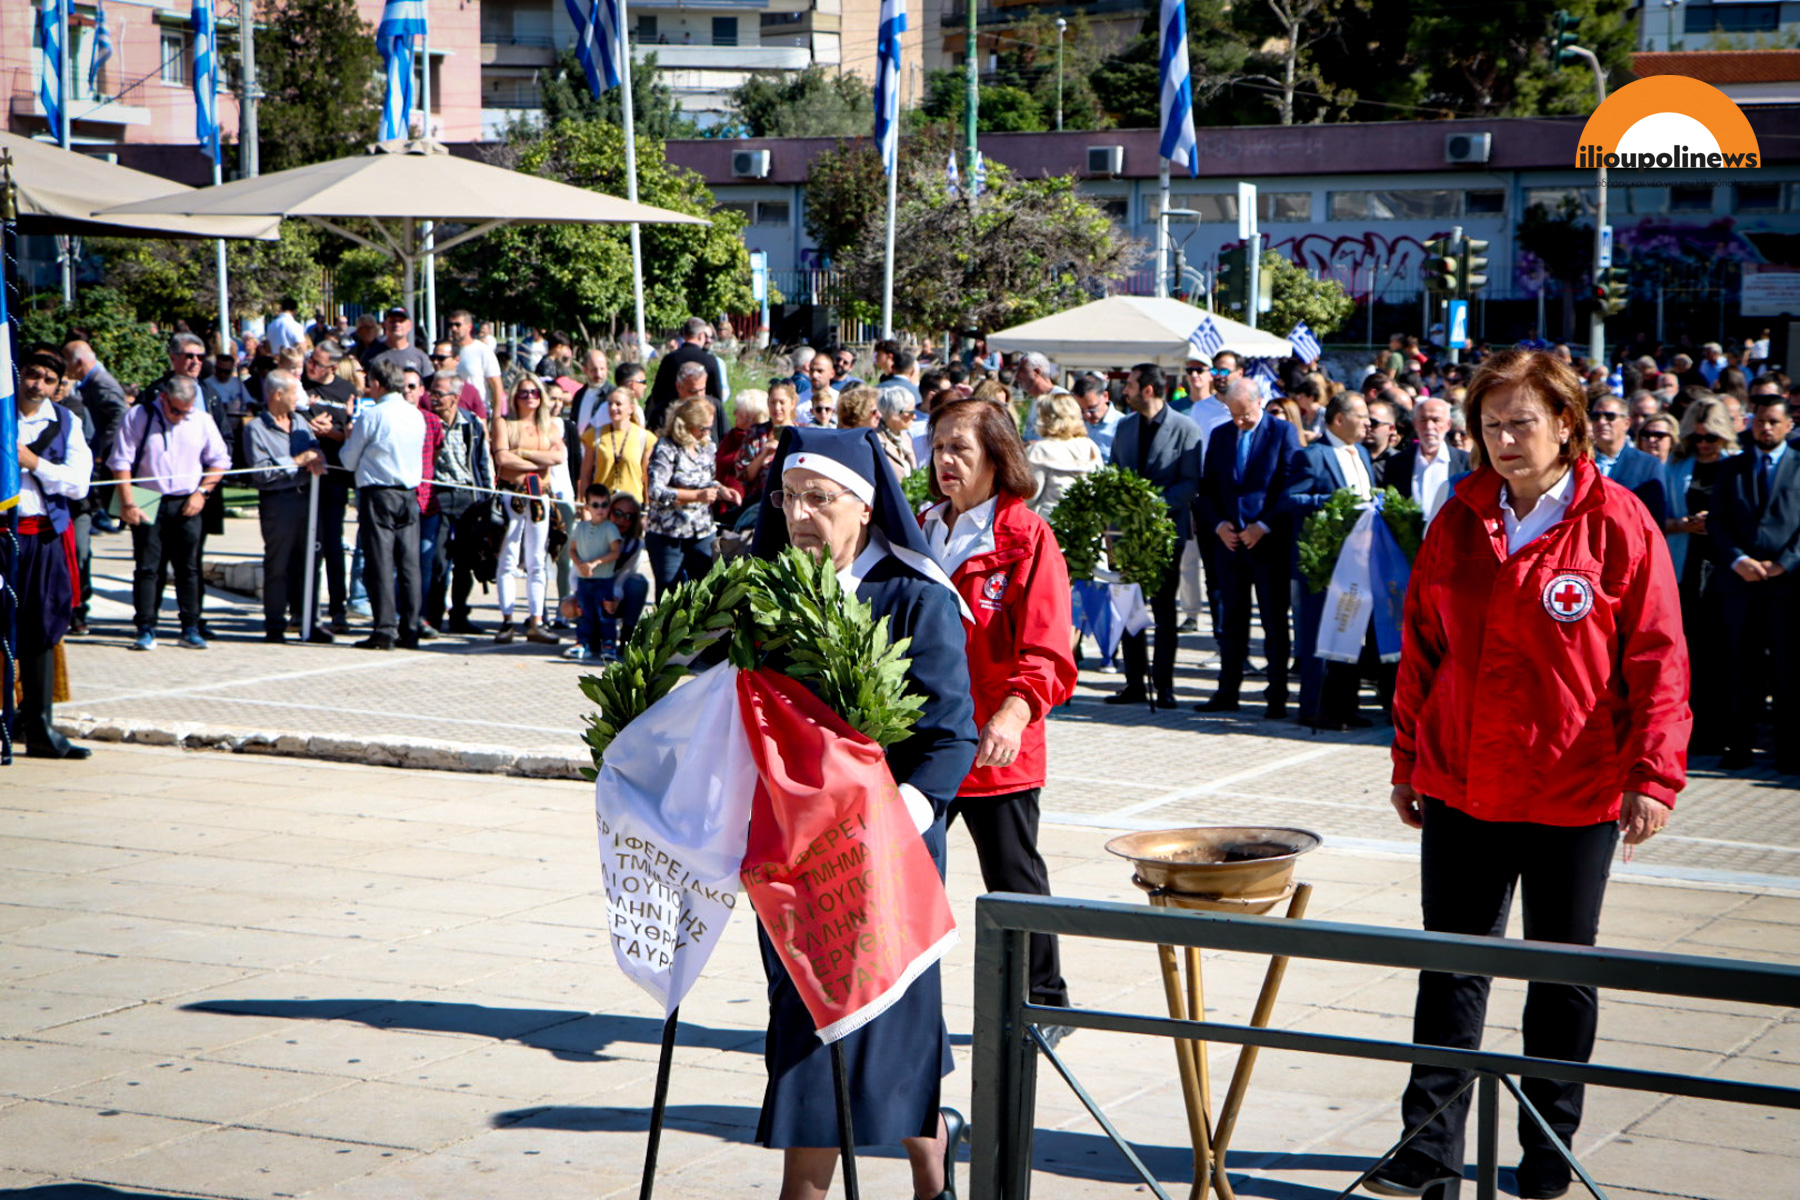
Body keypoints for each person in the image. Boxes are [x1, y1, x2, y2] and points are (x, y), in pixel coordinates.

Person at [1373, 348, 1689, 1200]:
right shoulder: (1459, 516)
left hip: (1573, 789)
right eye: (1491, 424)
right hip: (1462, 783)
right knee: (1451, 970)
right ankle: (1427, 1149)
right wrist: (1407, 758)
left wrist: (1653, 775)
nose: (1506, 440)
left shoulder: (1618, 522)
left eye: (1524, 422)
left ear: (1567, 427)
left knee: (1561, 974)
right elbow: (1422, 649)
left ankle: (1549, 1147)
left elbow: (1658, 657)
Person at [750, 426, 978, 1200]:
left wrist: (899, 812)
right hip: (795, 865)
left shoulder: (915, 596)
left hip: (892, 857)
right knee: (813, 1030)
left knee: (894, 1031)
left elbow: (952, 734)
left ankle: (928, 1166)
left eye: (820, 499)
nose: (800, 515)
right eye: (788, 498)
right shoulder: (770, 593)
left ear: (866, 506)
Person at [923, 399, 1079, 1026]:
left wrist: (1014, 713)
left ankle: (1044, 1005)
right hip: (928, 740)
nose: (945, 461)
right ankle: (902, 1012)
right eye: (937, 447)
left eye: (960, 448)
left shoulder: (1026, 535)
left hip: (996, 747)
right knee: (906, 878)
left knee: (1014, 884)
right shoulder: (922, 528)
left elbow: (1047, 646)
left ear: (998, 456)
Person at [1200, 377, 1304, 718]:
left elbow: (1291, 485)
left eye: (1244, 414)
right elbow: (1209, 488)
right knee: (1232, 621)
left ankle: (1277, 695)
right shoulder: (1221, 434)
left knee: (1274, 622)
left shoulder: (1282, 433)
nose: (1239, 421)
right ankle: (1227, 690)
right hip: (1230, 544)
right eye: (1233, 414)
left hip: (1267, 542)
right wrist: (1219, 525)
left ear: (1259, 402)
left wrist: (1263, 525)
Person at [1709, 396, 1799, 773]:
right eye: (1760, 421)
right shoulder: (1731, 468)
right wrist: (1738, 560)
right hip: (1741, 584)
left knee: (1787, 671)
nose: (1765, 428)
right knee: (1741, 668)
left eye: (1773, 421)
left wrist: (1785, 563)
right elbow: (1717, 522)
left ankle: (1790, 752)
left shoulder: (1799, 466)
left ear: (1788, 425)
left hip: (1787, 587)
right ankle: (1738, 747)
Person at [1106, 364, 1204, 708]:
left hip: (1164, 534)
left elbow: (1191, 483)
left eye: (1130, 384)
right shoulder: (1125, 426)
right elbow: (1115, 472)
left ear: (1148, 390)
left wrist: (1153, 504)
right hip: (1127, 534)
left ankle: (1164, 685)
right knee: (1130, 608)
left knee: (1164, 613)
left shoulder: (1185, 428)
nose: (1126, 390)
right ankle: (1135, 683)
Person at [12, 348, 93, 758]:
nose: (37, 384)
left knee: (41, 629)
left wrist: (35, 463)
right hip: (2, 536)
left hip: (43, 537)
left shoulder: (67, 421)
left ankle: (40, 729)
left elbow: (79, 484)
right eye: (31, 374)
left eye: (47, 378)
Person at [109, 374, 228, 651]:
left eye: (185, 411)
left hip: (187, 499)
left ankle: (190, 627)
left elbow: (220, 459)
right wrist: (128, 503)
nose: (179, 416)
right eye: (175, 410)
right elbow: (121, 460)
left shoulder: (201, 420)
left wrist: (202, 493)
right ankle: (146, 627)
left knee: (189, 567)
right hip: (146, 496)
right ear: (163, 398)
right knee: (148, 567)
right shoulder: (138, 415)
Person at [1285, 391, 1379, 730]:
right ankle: (1313, 706)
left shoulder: (1363, 454)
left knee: (1351, 633)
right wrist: (1334, 500)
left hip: (1358, 560)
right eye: (1362, 416)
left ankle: (1345, 705)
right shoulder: (1313, 455)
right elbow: (1290, 498)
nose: (1369, 422)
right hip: (1323, 564)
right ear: (1339, 420)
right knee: (1317, 637)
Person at [341, 360, 427, 651]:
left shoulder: (374, 415)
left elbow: (347, 460)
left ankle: (384, 629)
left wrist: (350, 429)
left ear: (377, 383)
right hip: (408, 493)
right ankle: (411, 628)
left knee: (380, 562)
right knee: (409, 565)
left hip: (380, 494)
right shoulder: (415, 414)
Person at [245, 370, 331, 644]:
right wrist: (296, 461)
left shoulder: (302, 423)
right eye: (295, 392)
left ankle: (308, 621)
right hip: (278, 503)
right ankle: (274, 625)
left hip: (308, 498)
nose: (300, 398)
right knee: (278, 564)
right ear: (277, 394)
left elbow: (316, 451)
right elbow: (259, 472)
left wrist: (317, 457)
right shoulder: (255, 429)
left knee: (310, 563)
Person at [490, 375, 566, 646]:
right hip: (513, 496)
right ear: (514, 397)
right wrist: (536, 461)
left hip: (539, 497)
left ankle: (536, 620)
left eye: (534, 392)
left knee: (537, 561)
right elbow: (501, 457)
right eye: (523, 393)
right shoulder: (504, 424)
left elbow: (557, 457)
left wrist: (522, 453)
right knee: (508, 558)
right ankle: (507, 619)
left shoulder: (548, 426)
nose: (529, 397)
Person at [424, 370, 494, 636]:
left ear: (455, 398)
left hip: (467, 497)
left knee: (466, 560)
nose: (434, 398)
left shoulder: (472, 423)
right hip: (437, 495)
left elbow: (482, 461)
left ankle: (459, 614)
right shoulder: (428, 422)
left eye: (439, 394)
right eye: (431, 393)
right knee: (438, 559)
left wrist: (487, 498)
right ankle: (432, 615)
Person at [645, 396, 739, 595]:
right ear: (687, 425)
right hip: (668, 532)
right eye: (702, 428)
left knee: (707, 588)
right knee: (670, 593)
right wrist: (697, 496)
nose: (706, 432)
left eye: (708, 428)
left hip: (701, 530)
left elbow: (706, 480)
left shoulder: (705, 446)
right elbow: (655, 491)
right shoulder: (666, 447)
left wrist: (721, 490)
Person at [564, 483, 624, 662]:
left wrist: (595, 563)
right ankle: (582, 643)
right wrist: (580, 565)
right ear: (587, 507)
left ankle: (609, 645)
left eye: (604, 505)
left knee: (606, 614)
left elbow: (615, 552)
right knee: (584, 613)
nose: (600, 509)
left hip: (604, 581)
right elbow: (572, 550)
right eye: (596, 505)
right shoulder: (580, 528)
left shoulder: (610, 528)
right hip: (584, 580)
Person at [1589, 392, 1668, 526]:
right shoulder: (1579, 461)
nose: (1601, 422)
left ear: (1626, 423)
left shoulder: (1648, 465)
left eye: (1609, 416)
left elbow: (1655, 520)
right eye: (1595, 417)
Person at [1385, 397, 1468, 523]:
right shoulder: (1396, 464)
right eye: (1423, 420)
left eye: (1436, 420)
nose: (1429, 426)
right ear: (1415, 424)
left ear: (1448, 424)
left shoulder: (1465, 462)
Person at [1024, 393, 1103, 516]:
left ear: (1045, 417)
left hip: (1050, 526)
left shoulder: (1039, 450)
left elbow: (1029, 497)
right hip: (1086, 524)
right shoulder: (1091, 447)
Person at [646, 316, 726, 434]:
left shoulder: (669, 359)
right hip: (704, 422)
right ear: (700, 335)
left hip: (672, 420)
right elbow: (717, 394)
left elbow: (658, 393)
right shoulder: (710, 360)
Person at [581, 387, 657, 503]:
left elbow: (646, 478)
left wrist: (647, 506)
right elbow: (586, 474)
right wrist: (585, 504)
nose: (613, 408)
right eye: (610, 404)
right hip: (602, 504)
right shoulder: (594, 435)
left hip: (632, 505)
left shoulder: (645, 437)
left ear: (631, 408)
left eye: (618, 404)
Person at [448, 309, 505, 422]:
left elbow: (496, 385)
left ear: (469, 326)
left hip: (477, 414)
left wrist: (496, 418)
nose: (454, 328)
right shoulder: (447, 351)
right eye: (451, 325)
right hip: (451, 413)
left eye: (458, 325)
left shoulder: (482, 350)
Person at [369, 307, 433, 380]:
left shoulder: (421, 357)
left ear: (409, 325)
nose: (397, 324)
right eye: (392, 321)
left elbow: (427, 386)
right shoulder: (372, 355)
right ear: (385, 324)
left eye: (401, 321)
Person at [1071, 374, 1122, 456]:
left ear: (1105, 396)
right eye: (1082, 410)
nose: (1087, 415)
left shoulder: (1123, 425)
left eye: (1092, 408)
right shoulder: (1074, 423)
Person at [875, 384, 918, 480]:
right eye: (910, 413)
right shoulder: (876, 441)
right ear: (894, 414)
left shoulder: (905, 437)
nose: (915, 417)